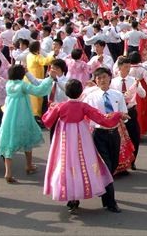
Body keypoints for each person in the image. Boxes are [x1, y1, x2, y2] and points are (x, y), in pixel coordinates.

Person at [42, 79, 126, 214]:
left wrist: (50, 107)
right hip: (83, 138)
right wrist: (117, 115)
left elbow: (47, 121)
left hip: (65, 139)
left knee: (66, 165)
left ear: (66, 92)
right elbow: (102, 118)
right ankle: (106, 199)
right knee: (88, 163)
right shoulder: (83, 106)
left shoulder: (60, 106)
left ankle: (72, 200)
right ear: (80, 92)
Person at [0, 65, 54, 183]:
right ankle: (29, 165)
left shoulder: (8, 84)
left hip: (9, 118)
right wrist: (49, 79)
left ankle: (8, 172)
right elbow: (39, 91)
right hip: (23, 116)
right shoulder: (22, 85)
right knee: (27, 139)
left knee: (8, 142)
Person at [83, 67, 129, 213]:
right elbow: (87, 117)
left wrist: (122, 116)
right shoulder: (91, 97)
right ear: (95, 81)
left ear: (109, 78)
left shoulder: (117, 95)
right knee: (107, 167)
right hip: (99, 134)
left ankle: (104, 191)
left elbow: (123, 113)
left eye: (104, 77)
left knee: (114, 164)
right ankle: (110, 202)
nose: (102, 80)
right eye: (99, 78)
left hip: (114, 133)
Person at [110, 56, 145, 171]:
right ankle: (119, 162)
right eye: (125, 67)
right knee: (118, 139)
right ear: (119, 67)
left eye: (129, 67)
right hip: (118, 112)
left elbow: (143, 94)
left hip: (130, 111)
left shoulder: (133, 80)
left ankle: (133, 160)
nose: (128, 69)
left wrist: (137, 87)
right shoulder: (113, 82)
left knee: (134, 136)